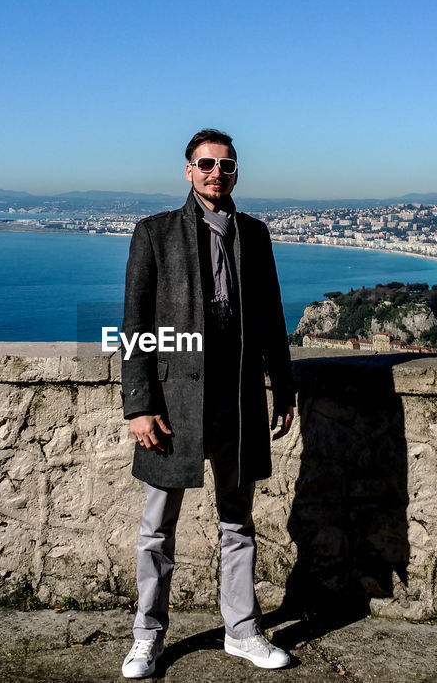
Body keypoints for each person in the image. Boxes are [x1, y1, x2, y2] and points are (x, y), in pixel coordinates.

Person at [118, 129, 297, 678]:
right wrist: (139, 405)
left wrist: (283, 386)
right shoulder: (154, 234)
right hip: (172, 402)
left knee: (238, 520)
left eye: (226, 164)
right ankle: (147, 635)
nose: (216, 172)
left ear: (236, 171)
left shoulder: (256, 235)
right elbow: (135, 324)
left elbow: (270, 317)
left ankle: (242, 632)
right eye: (205, 164)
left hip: (237, 397)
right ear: (188, 171)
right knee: (157, 525)